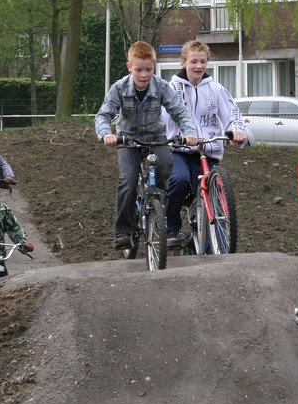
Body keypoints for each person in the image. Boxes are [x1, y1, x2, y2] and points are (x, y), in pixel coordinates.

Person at [95, 40, 199, 250]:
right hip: (128, 139)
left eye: (149, 70)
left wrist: (190, 132)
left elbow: (179, 111)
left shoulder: (161, 86)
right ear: (129, 67)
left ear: (154, 67)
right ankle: (123, 231)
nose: (144, 75)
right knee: (128, 179)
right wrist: (106, 133)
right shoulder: (119, 88)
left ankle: (160, 212)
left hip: (155, 136)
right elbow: (103, 115)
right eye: (139, 70)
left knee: (165, 167)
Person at [163, 40, 247, 249]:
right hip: (179, 150)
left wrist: (237, 132)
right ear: (184, 62)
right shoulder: (171, 89)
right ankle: (171, 227)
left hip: (207, 151)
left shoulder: (216, 89)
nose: (198, 66)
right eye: (193, 61)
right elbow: (161, 118)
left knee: (212, 193)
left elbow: (232, 114)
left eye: (202, 61)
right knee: (179, 180)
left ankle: (213, 245)